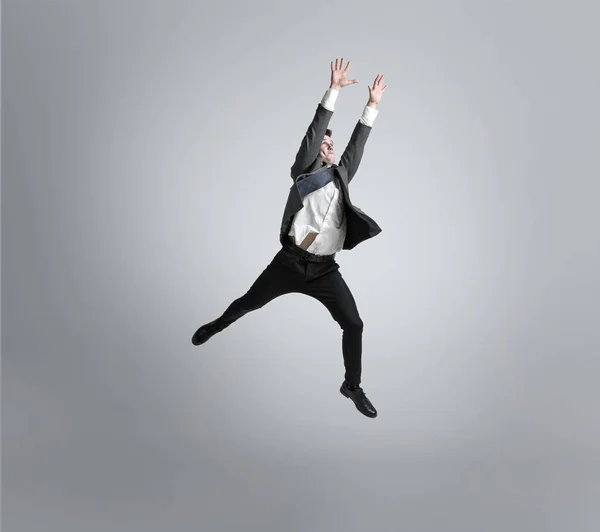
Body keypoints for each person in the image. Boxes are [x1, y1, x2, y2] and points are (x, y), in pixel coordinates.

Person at [192, 58, 387, 418]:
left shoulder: (341, 176)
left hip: (324, 270)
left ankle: (352, 386)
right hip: (291, 262)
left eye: (331, 145)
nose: (328, 146)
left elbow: (356, 146)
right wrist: (333, 92)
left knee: (354, 324)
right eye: (324, 145)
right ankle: (218, 324)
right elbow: (315, 132)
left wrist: (371, 105)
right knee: (250, 301)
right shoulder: (303, 173)